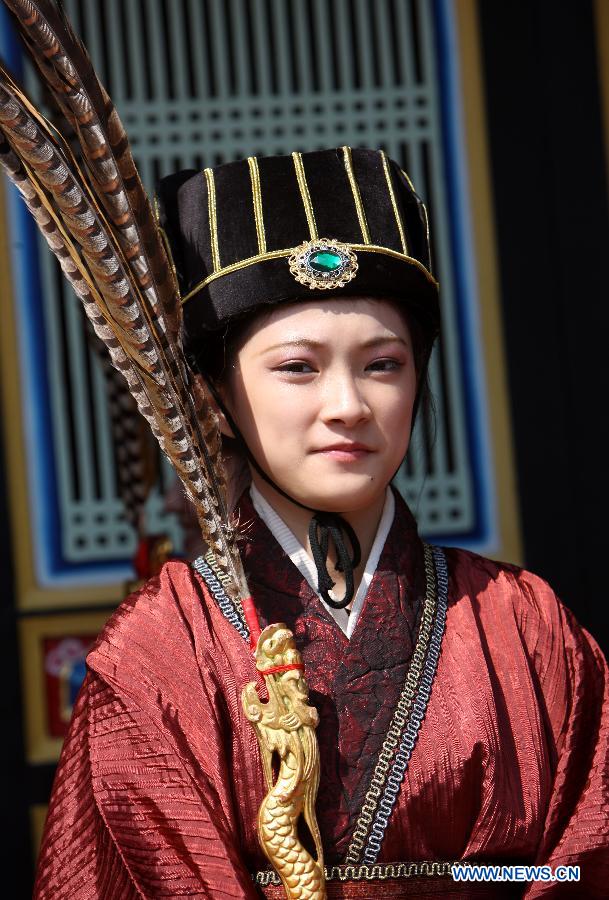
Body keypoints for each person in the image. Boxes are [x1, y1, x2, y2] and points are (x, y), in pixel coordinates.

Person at [32, 148, 609, 899]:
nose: (347, 405)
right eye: (298, 368)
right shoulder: (159, 652)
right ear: (214, 398)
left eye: (382, 364)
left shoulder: (524, 624)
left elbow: (577, 863)